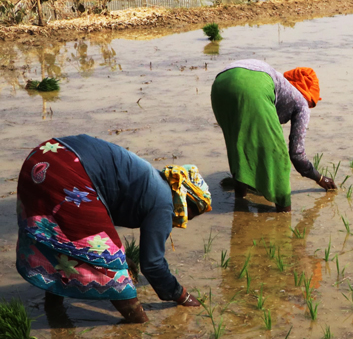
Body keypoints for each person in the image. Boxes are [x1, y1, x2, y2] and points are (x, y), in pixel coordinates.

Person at [15, 135, 211, 324]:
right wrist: (182, 296)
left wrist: (124, 259)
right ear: (185, 201)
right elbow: (152, 264)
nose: (184, 220)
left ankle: (53, 306)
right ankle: (138, 323)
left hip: (45, 155)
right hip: (70, 172)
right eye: (190, 215)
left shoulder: (151, 180)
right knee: (109, 262)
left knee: (65, 243)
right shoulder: (165, 203)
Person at [211, 60, 336, 213]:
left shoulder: (281, 86)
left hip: (221, 83)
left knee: (239, 145)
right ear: (310, 96)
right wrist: (320, 178)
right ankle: (284, 216)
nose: (310, 107)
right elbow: (297, 155)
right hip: (255, 85)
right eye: (312, 103)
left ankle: (240, 201)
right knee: (279, 157)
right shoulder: (301, 102)